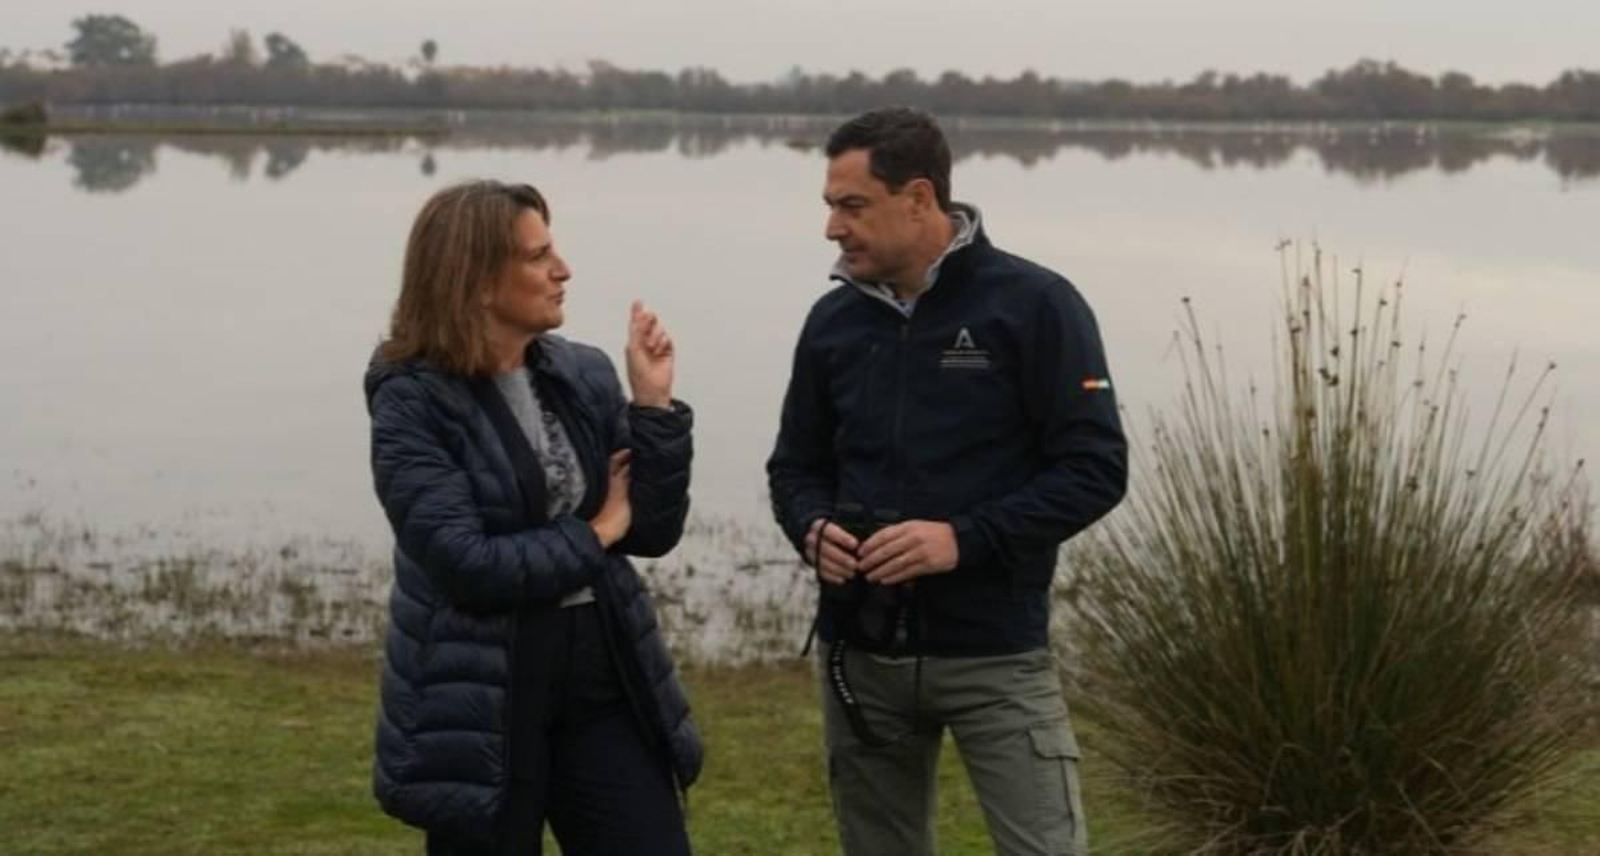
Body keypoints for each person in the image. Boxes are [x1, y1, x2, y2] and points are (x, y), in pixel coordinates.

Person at [767, 108, 1127, 856]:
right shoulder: (831, 322)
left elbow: (1096, 469)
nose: (833, 227)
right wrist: (811, 528)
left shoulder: (1035, 304)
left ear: (920, 198)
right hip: (859, 655)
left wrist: (963, 540)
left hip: (995, 655)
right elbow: (795, 467)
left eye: (852, 205)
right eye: (830, 206)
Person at [365, 179, 700, 855]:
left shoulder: (583, 373)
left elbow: (653, 530)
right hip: (482, 690)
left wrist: (654, 409)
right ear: (478, 279)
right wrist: (595, 532)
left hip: (601, 665)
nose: (563, 269)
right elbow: (468, 567)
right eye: (537, 255)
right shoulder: (411, 401)